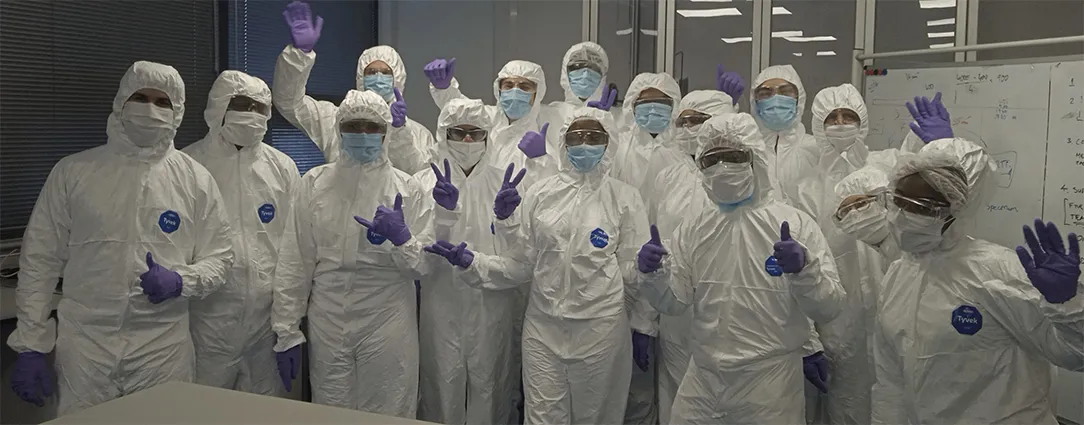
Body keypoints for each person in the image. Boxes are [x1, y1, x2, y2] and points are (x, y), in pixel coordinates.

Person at [7, 61, 235, 414]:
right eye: (140, 97)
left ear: (177, 112)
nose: (150, 109)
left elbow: (221, 258)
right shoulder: (74, 172)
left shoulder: (196, 180)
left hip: (162, 346)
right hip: (85, 346)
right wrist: (31, 344)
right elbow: (40, 260)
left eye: (163, 102)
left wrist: (181, 281)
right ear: (120, 103)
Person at [427, 107, 655, 424]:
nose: (584, 143)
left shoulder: (625, 198)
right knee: (543, 417)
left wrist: (643, 270)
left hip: (600, 330)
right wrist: (480, 256)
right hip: (543, 329)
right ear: (564, 143)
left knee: (596, 415)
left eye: (594, 136)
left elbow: (630, 271)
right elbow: (522, 263)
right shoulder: (541, 193)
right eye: (576, 136)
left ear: (609, 142)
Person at [636, 112, 845, 424]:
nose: (722, 167)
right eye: (712, 159)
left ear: (755, 159)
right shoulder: (695, 228)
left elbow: (830, 305)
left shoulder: (793, 223)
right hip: (704, 377)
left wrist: (805, 271)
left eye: (733, 156)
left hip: (768, 384)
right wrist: (653, 273)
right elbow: (675, 302)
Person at [870, 137, 1084, 424]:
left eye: (922, 207)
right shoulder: (898, 274)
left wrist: (1067, 305)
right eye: (898, 201)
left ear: (957, 209)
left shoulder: (998, 271)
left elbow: (1074, 355)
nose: (902, 216)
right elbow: (890, 379)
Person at [270, 89, 433, 416]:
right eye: (353, 126)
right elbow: (295, 261)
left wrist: (403, 240)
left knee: (389, 407)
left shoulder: (408, 188)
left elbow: (423, 267)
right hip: (327, 315)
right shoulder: (315, 183)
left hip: (386, 314)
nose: (362, 134)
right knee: (331, 409)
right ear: (339, 129)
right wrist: (286, 330)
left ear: (386, 132)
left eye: (372, 127)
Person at [181, 70, 300, 396]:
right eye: (242, 104)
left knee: (267, 414)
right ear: (219, 105)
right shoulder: (187, 166)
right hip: (206, 324)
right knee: (205, 411)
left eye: (260, 108)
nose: (251, 114)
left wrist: (288, 327)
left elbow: (295, 250)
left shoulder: (282, 167)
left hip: (266, 325)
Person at [408, 98, 520, 424]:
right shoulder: (421, 184)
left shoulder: (508, 184)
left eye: (476, 133)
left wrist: (505, 223)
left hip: (492, 312)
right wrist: (441, 218)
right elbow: (415, 259)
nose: (468, 141)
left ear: (488, 136)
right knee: (440, 391)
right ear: (444, 134)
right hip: (440, 309)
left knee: (492, 390)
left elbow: (523, 262)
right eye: (459, 133)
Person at [647, 89, 736, 424]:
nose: (688, 128)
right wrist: (646, 319)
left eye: (698, 120)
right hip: (675, 308)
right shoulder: (667, 178)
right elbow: (652, 242)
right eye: (683, 121)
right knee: (676, 399)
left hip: (729, 308)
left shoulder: (741, 176)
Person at [275, 1, 435, 173]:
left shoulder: (418, 134)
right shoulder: (333, 119)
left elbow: (420, 177)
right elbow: (289, 103)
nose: (378, 77)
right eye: (371, 72)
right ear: (360, 78)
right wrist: (300, 55)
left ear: (398, 79)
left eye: (385, 72)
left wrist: (399, 131)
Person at [423, 58, 560, 180]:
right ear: (499, 90)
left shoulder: (540, 139)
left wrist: (540, 159)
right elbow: (459, 109)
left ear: (538, 93)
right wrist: (443, 88)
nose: (515, 91)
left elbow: (550, 189)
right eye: (508, 85)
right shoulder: (486, 118)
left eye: (524, 87)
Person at [750, 65, 822, 218]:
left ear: (799, 99)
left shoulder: (817, 149)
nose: (775, 98)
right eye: (765, 93)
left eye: (785, 92)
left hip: (808, 237)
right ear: (754, 102)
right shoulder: (748, 151)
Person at [544, 42, 620, 122]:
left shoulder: (617, 118)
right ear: (565, 74)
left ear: (603, 76)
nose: (586, 74)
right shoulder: (550, 115)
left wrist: (603, 120)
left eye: (593, 68)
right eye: (578, 67)